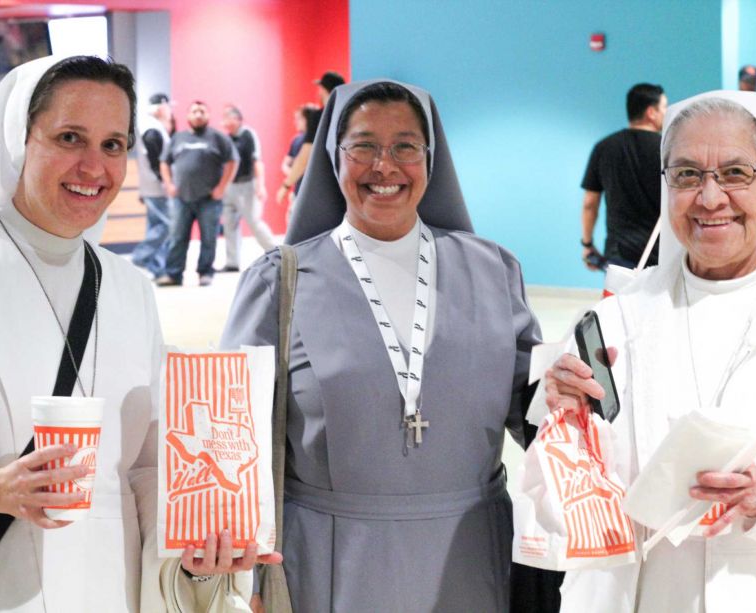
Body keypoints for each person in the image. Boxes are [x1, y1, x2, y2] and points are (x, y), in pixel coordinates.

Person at [0, 55, 276, 612]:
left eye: (113, 144)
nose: (94, 166)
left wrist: (201, 543)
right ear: (18, 140)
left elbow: (146, 465)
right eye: (69, 137)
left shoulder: (129, 287)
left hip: (114, 591)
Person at [220, 80, 541, 611]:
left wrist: (576, 395)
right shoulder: (280, 281)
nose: (384, 166)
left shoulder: (493, 270)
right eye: (364, 145)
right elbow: (233, 437)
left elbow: (535, 412)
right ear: (334, 156)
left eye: (406, 147)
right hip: (326, 564)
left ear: (430, 158)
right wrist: (250, 577)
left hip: (468, 559)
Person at [540, 91, 756, 611]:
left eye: (736, 173)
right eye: (685, 175)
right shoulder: (617, 318)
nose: (710, 197)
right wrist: (562, 427)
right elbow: (555, 505)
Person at [581, 83, 666, 270]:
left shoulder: (604, 147)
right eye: (664, 108)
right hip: (662, 254)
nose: (666, 113)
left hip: (618, 256)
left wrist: (587, 245)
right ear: (651, 112)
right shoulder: (668, 149)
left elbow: (590, 203)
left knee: (617, 300)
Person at [156, 101, 237, 287]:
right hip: (181, 199)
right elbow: (164, 162)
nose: (198, 114)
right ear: (188, 116)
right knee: (177, 237)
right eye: (194, 111)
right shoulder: (178, 138)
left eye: (202, 111)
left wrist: (221, 188)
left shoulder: (218, 138)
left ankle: (205, 273)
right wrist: (168, 184)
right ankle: (174, 274)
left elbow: (233, 161)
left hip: (209, 199)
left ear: (208, 115)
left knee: (209, 238)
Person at [275, 70, 346, 208]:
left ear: (324, 90)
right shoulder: (350, 113)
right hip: (347, 185)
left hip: (323, 188)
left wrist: (286, 185)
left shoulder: (320, 117)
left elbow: (306, 154)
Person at [219, 104, 276, 272]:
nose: (224, 122)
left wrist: (261, 185)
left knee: (254, 222)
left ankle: (275, 253)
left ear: (237, 119)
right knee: (229, 224)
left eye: (227, 118)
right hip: (230, 186)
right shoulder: (226, 139)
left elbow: (256, 161)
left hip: (247, 185)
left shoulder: (248, 135)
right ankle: (232, 262)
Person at [131, 92, 172, 279]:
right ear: (161, 107)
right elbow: (156, 160)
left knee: (156, 226)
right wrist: (165, 181)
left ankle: (157, 268)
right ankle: (141, 256)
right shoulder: (153, 128)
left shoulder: (150, 126)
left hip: (151, 185)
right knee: (168, 225)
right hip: (157, 186)